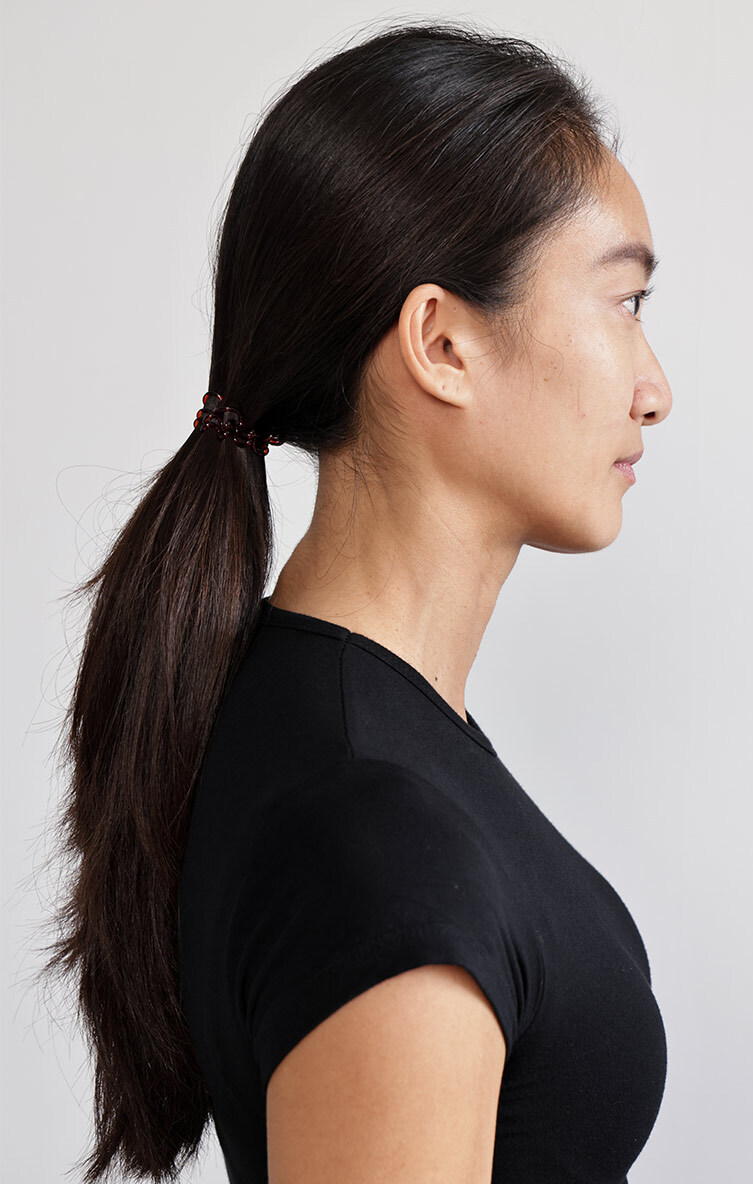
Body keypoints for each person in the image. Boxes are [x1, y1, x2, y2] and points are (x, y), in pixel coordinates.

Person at [42, 19, 672, 1184]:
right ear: (441, 341)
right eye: (623, 300)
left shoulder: (352, 737)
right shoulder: (374, 833)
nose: (654, 389)